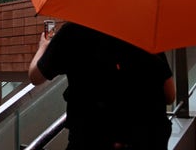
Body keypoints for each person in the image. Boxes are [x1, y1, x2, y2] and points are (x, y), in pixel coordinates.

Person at [29, 22, 176, 150]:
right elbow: (170, 95)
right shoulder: (143, 32)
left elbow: (35, 76)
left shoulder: (73, 32)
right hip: (148, 141)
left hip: (91, 140)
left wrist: (43, 47)